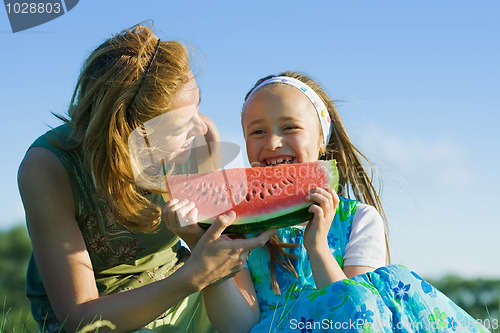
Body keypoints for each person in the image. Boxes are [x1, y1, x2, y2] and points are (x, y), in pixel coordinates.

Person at [17, 24, 274, 333]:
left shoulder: (200, 141)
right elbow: (78, 318)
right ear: (126, 129)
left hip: (181, 285)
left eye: (198, 107)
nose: (201, 128)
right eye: (179, 126)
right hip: (106, 315)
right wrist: (193, 276)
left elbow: (210, 249)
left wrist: (207, 252)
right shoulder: (47, 168)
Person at [198, 71, 489, 332]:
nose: (273, 143)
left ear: (321, 140)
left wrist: (317, 246)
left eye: (289, 128)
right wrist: (207, 253)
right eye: (257, 131)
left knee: (385, 283)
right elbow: (238, 326)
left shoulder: (359, 220)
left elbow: (359, 314)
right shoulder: (239, 227)